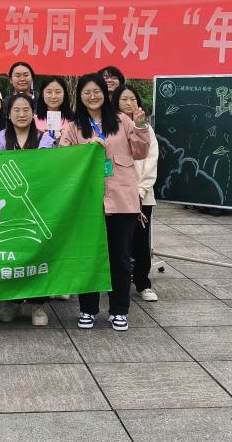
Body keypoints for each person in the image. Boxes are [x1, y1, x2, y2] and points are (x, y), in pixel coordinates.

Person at [62, 73, 150, 332]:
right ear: (80, 96)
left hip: (122, 200)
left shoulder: (122, 120)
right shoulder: (73, 126)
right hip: (87, 202)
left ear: (105, 93)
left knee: (120, 258)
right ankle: (88, 309)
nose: (92, 96)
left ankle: (119, 310)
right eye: (86, 92)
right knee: (88, 257)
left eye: (97, 91)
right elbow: (64, 158)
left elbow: (140, 152)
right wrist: (87, 148)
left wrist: (141, 126)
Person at [0, 93, 55, 327]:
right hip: (9, 207)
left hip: (38, 203)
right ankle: (12, 301)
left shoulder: (44, 139)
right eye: (16, 110)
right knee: (11, 253)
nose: (21, 114)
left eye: (26, 109)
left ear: (33, 113)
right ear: (8, 114)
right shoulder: (0, 139)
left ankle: (38, 304)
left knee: (38, 252)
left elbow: (48, 169)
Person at [118, 84, 159, 302]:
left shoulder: (146, 129)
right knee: (119, 241)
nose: (129, 103)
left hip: (142, 195)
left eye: (132, 99)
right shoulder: (112, 127)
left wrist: (140, 190)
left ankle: (143, 282)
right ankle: (118, 282)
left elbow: (151, 161)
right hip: (117, 195)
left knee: (141, 242)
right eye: (124, 99)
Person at [34, 76, 74, 144]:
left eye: (58, 92)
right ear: (42, 94)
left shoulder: (74, 120)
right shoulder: (32, 120)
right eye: (49, 92)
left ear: (64, 94)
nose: (53, 96)